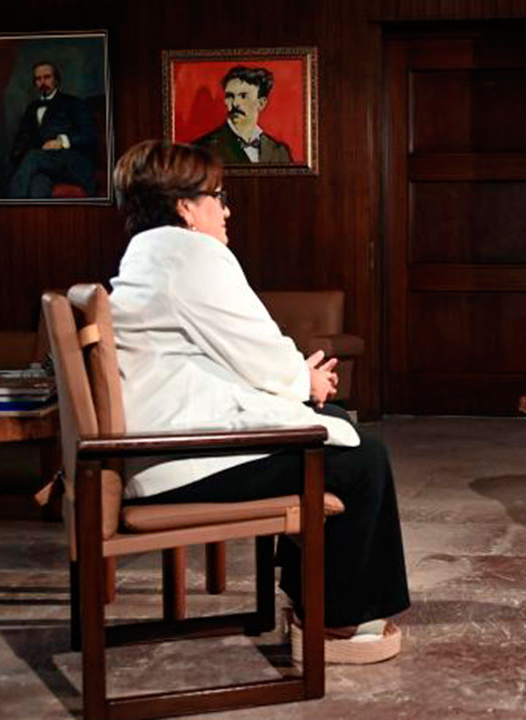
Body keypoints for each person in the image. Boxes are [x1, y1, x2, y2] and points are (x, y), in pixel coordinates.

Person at [109, 139, 408, 662]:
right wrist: (304, 382)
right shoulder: (191, 253)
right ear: (185, 206)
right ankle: (339, 623)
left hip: (157, 448)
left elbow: (233, 350)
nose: (227, 210)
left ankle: (312, 597)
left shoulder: (148, 252)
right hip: (176, 462)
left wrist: (299, 384)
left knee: (334, 425)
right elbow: (258, 351)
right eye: (218, 197)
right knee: (362, 456)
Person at [7, 61, 97, 198]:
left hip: (72, 162)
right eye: (38, 79)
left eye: (47, 77)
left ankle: (9, 207)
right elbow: (22, 139)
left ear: (56, 80)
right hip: (42, 164)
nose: (43, 82)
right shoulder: (32, 108)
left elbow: (89, 136)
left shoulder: (74, 103)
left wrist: (61, 142)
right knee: (38, 183)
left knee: (33, 157)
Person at [194, 66, 293, 164]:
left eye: (243, 96)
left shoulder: (279, 151)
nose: (235, 103)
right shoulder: (204, 149)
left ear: (261, 103)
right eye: (230, 96)